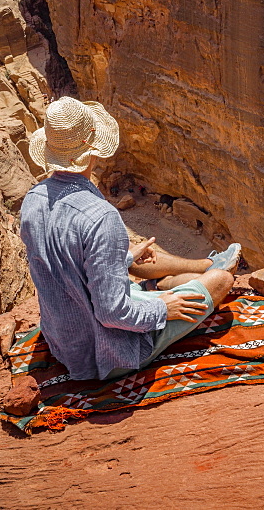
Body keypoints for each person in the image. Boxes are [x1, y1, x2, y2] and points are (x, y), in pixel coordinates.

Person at [19, 97, 241, 381]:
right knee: (223, 281)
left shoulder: (33, 200)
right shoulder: (100, 217)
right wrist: (163, 308)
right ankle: (212, 270)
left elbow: (65, 267)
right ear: (93, 149)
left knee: (136, 260)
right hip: (106, 353)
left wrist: (122, 257)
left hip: (64, 342)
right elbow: (112, 313)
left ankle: (205, 265)